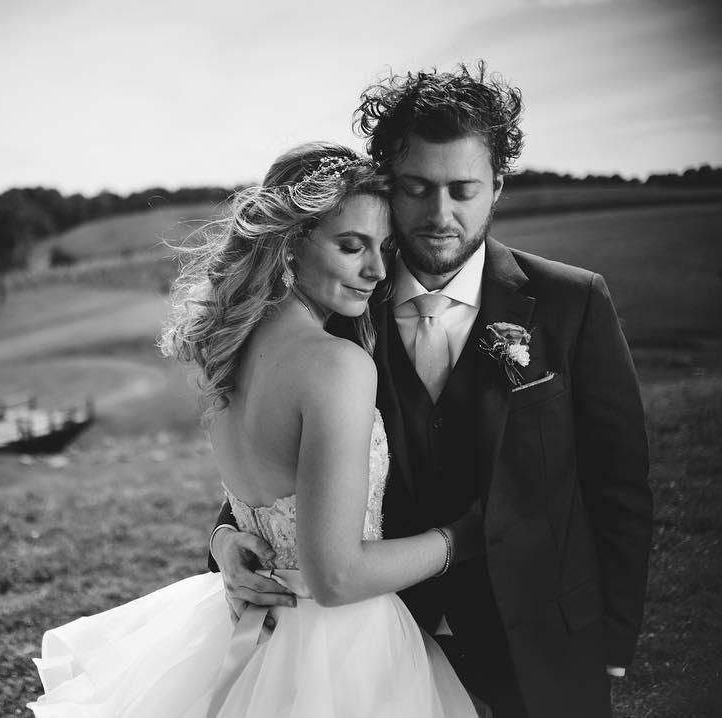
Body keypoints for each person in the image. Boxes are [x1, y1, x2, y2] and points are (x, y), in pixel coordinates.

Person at [209, 63, 653, 717]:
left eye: (464, 189)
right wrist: (225, 539)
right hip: (382, 646)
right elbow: (279, 459)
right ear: (389, 183)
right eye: (418, 189)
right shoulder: (342, 306)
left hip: (541, 644)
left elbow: (619, 482)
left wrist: (612, 638)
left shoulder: (571, 302)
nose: (442, 214)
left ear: (496, 186)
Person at [28, 142, 482, 717]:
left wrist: (222, 539)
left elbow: (261, 498)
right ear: (291, 245)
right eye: (351, 246)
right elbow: (337, 575)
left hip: (252, 629)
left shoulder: (227, 354)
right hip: (339, 645)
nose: (376, 269)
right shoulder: (336, 366)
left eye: (384, 247)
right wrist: (461, 538)